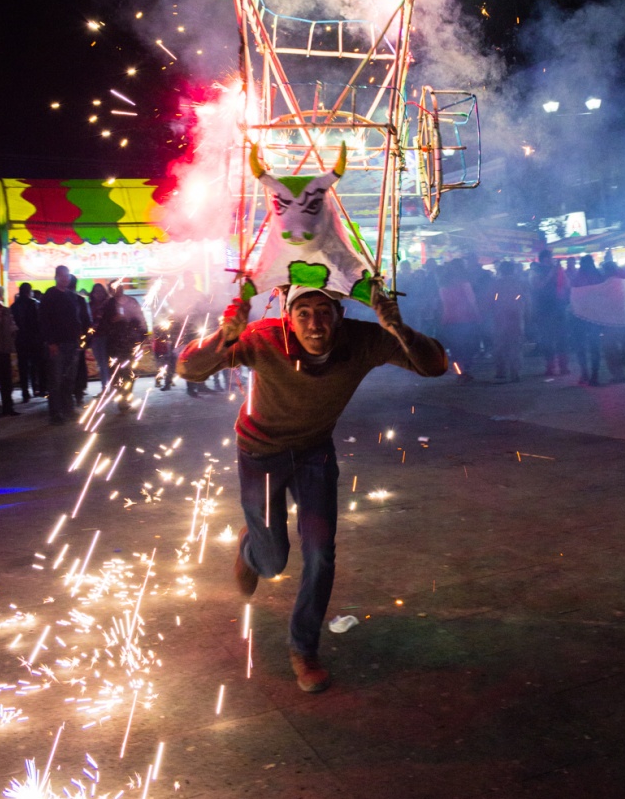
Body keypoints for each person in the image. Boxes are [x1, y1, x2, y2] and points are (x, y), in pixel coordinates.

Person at [178, 285, 447, 693]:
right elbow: (188, 369)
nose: (315, 324)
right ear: (288, 318)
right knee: (271, 565)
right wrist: (223, 336)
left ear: (339, 314)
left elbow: (436, 365)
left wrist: (399, 330)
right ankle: (253, 546)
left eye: (324, 312)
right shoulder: (263, 337)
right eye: (303, 313)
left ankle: (304, 648)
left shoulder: (362, 339)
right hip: (260, 452)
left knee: (320, 552)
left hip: (314, 453)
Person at [39, 265, 82, 424]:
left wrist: (78, 339)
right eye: (62, 275)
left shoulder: (72, 296)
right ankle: (55, 413)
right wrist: (51, 342)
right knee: (56, 380)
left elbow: (76, 319)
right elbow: (44, 321)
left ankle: (68, 409)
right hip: (57, 344)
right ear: (56, 276)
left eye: (67, 275)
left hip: (72, 343)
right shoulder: (50, 295)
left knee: (69, 379)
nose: (66, 278)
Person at [528, 248, 570, 376]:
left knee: (561, 338)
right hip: (544, 308)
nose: (552, 260)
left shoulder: (558, 270)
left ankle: (563, 366)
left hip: (558, 307)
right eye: (550, 257)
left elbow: (567, 285)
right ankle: (550, 366)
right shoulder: (535, 271)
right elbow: (537, 286)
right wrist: (552, 273)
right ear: (544, 259)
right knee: (547, 338)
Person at [568, 256, 604, 386]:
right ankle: (594, 375)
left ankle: (585, 374)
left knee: (581, 347)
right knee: (594, 347)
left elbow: (571, 295)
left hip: (579, 317)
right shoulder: (599, 276)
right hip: (595, 316)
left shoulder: (578, 277)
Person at [491, 261, 526, 383]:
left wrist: (498, 305)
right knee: (515, 344)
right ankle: (515, 372)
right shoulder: (518, 282)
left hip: (500, 316)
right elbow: (522, 297)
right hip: (516, 315)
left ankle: (501, 371)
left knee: (501, 344)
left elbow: (494, 298)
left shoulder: (497, 283)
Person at [10, 282, 44, 402]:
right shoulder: (34, 304)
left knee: (23, 366)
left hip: (20, 340)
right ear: (29, 291)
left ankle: (25, 392)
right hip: (34, 339)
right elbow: (39, 322)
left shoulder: (14, 306)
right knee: (36, 364)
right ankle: (36, 388)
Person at [0, 284, 19, 417]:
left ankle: (8, 407)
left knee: (6, 381)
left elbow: (13, 327)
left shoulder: (6, 311)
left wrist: (11, 340)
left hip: (5, 350)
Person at [68, 275, 92, 408]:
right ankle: (78, 394)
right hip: (75, 339)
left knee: (74, 367)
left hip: (73, 339)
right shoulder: (80, 300)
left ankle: (76, 395)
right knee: (78, 367)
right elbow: (88, 321)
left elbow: (87, 322)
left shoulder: (80, 300)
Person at [88, 282, 111, 389]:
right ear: (92, 293)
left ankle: (108, 387)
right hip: (95, 338)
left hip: (107, 337)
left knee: (106, 363)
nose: (99, 294)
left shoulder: (108, 305)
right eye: (96, 292)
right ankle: (105, 387)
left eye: (101, 291)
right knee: (101, 363)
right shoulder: (90, 305)